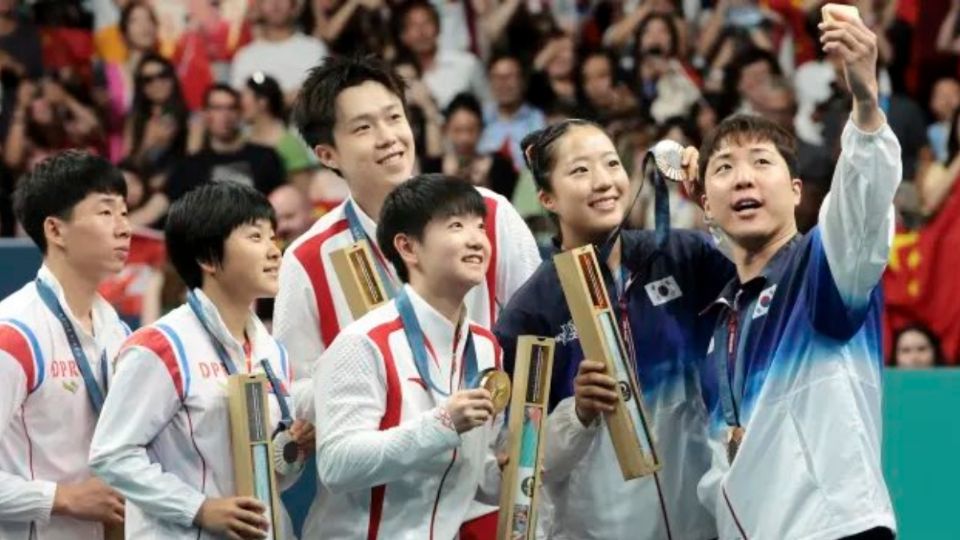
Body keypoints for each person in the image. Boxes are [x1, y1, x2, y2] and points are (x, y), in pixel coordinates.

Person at [277, 54, 541, 539]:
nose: (388, 137)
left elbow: (537, 340)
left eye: (394, 116)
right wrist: (384, 390)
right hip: (370, 514)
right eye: (362, 127)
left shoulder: (491, 218)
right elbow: (290, 392)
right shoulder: (310, 258)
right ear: (327, 153)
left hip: (480, 503)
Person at [689, 10, 900, 538]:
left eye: (762, 162)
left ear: (797, 191)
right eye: (724, 168)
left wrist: (867, 107)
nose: (743, 178)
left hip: (837, 529)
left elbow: (863, 202)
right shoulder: (718, 324)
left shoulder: (825, 269)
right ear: (706, 205)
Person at [494, 119, 733, 540]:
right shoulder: (532, 312)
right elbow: (520, 461)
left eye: (610, 163)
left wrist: (715, 202)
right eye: (580, 171)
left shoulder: (682, 255)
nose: (603, 181)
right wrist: (579, 415)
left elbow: (764, 288)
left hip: (703, 523)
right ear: (547, 197)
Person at [89, 181, 314, 539]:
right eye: (256, 238)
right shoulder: (160, 347)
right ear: (209, 258)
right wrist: (198, 508)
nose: (275, 251)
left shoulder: (272, 352)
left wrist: (292, 451)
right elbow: (111, 455)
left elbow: (268, 475)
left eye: (273, 238)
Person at [312, 174, 503, 538]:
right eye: (456, 225)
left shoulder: (485, 346)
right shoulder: (364, 342)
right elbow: (337, 465)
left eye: (480, 226)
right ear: (408, 247)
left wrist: (515, 466)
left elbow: (477, 480)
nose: (477, 239)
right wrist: (443, 423)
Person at [0, 150, 130, 539]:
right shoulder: (14, 334)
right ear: (55, 230)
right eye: (106, 213)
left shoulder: (117, 331)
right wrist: (62, 498)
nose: (124, 227)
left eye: (125, 212)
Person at [164, 84, 286, 206]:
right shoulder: (191, 165)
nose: (225, 115)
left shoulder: (265, 157)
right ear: (206, 114)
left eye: (231, 108)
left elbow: (284, 200)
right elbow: (166, 200)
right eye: (217, 108)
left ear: (239, 113)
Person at [395, 0, 490, 110]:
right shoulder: (397, 76)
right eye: (413, 25)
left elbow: (488, 108)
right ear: (403, 36)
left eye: (426, 23)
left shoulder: (467, 64)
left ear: (438, 28)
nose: (421, 31)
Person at [422, 92, 518, 198]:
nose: (464, 138)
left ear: (481, 130)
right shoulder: (433, 168)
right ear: (446, 130)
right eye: (457, 130)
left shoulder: (499, 166)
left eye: (471, 130)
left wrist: (485, 185)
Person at [230, 0, 328, 104]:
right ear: (258, 7)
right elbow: (239, 97)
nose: (275, 4)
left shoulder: (315, 48)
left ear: (294, 6)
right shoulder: (245, 55)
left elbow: (321, 92)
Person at [242, 72, 319, 190]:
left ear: (263, 102)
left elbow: (303, 190)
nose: (239, 104)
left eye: (244, 97)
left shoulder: (289, 144)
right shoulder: (242, 139)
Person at [478, 51, 546, 171]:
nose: (503, 84)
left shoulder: (539, 120)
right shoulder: (479, 118)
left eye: (510, 77)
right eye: (497, 77)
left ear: (523, 80)